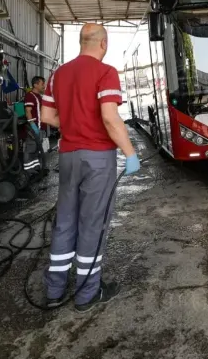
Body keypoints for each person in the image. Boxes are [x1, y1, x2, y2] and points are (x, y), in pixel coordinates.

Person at [41, 23, 140, 312]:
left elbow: (47, 115)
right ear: (103, 44)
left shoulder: (58, 74)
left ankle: (54, 291)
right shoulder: (105, 72)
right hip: (97, 158)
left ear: (80, 43)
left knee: (66, 221)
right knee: (93, 222)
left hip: (68, 155)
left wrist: (73, 126)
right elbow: (110, 118)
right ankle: (87, 294)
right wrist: (129, 152)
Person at [23, 76, 46, 178]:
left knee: (37, 149)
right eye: (42, 84)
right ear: (35, 85)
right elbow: (28, 111)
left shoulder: (39, 96)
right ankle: (28, 171)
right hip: (34, 128)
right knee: (31, 149)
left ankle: (36, 169)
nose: (43, 86)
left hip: (40, 127)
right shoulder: (30, 96)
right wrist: (33, 126)